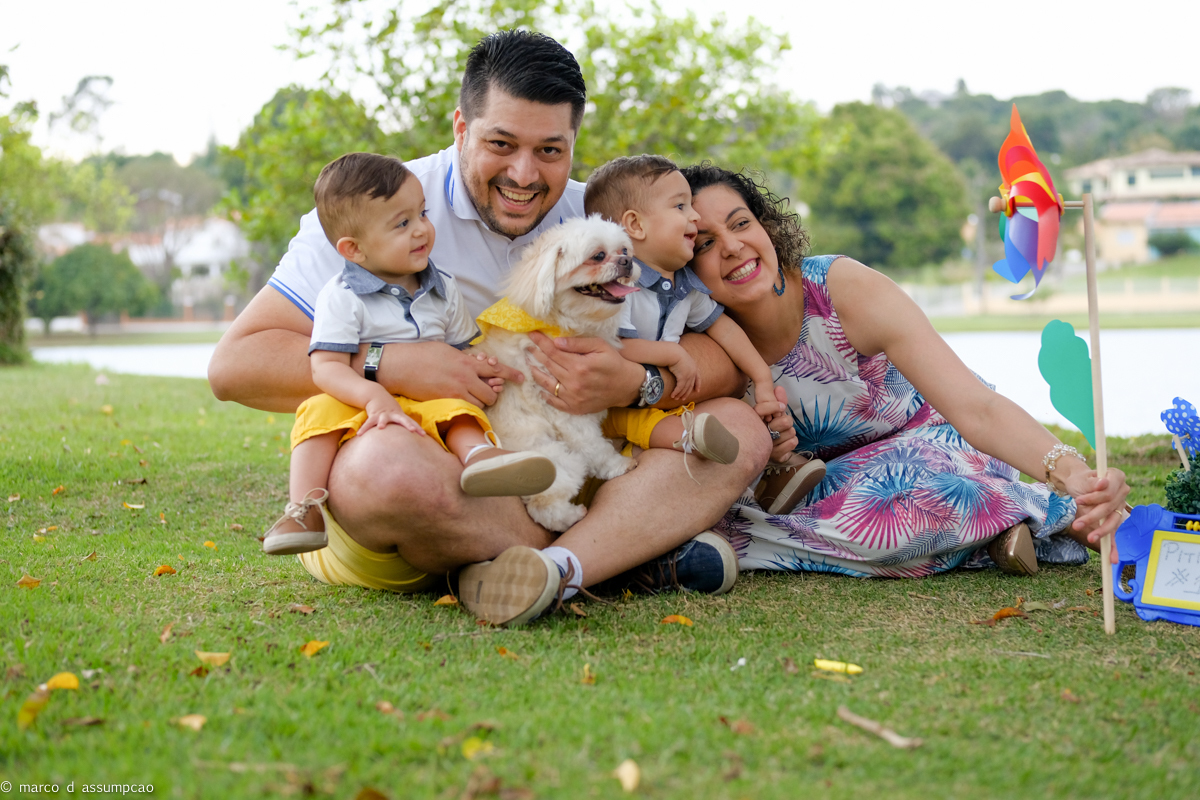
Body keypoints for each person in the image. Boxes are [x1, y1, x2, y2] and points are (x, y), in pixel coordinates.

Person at [208, 32, 768, 615]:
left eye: (550, 150)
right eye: (501, 143)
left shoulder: (604, 219)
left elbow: (719, 354)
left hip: (575, 460)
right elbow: (236, 365)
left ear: (574, 143)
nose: (524, 174)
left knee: (739, 432)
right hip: (445, 473)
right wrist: (389, 364)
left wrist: (637, 383)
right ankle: (622, 552)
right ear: (461, 127)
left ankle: (548, 568)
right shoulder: (377, 209)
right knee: (382, 470)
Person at [680, 163, 1130, 577]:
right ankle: (988, 535)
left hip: (942, 447)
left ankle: (1044, 510)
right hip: (834, 487)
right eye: (705, 244)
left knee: (881, 510)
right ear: (684, 265)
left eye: (741, 223)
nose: (733, 247)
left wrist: (1070, 472)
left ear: (767, 226)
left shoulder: (842, 289)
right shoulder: (700, 345)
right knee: (740, 511)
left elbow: (978, 409)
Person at [263, 152, 556, 557]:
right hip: (360, 402)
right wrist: (373, 396)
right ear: (354, 249)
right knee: (317, 416)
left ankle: (481, 458)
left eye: (422, 213)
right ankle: (304, 509)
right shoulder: (343, 296)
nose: (421, 229)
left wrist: (479, 366)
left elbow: (461, 349)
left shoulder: (441, 289)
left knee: (458, 411)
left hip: (428, 397)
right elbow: (326, 367)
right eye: (402, 224)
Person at [582, 154, 826, 510]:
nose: (693, 216)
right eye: (681, 206)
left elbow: (724, 330)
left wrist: (761, 378)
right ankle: (728, 473)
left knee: (730, 417)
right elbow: (613, 346)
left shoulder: (685, 285)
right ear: (635, 224)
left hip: (658, 401)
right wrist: (673, 354)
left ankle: (762, 476)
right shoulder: (617, 283)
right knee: (678, 433)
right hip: (608, 409)